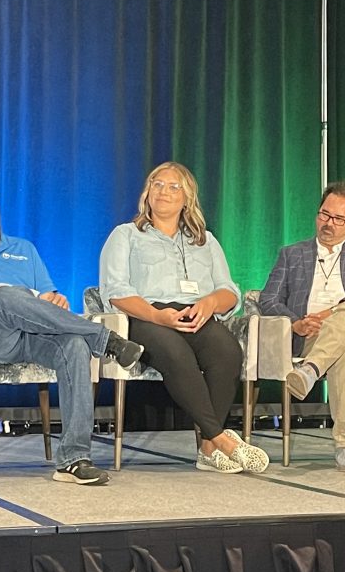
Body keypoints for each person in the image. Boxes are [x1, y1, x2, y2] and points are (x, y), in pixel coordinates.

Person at [0, 173, 143, 486]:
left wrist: (55, 301)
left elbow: (47, 300)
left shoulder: (24, 249)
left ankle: (73, 459)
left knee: (75, 346)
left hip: (29, 338)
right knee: (6, 295)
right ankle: (106, 339)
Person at [99, 161, 269, 474]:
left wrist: (210, 303)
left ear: (187, 198)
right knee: (177, 353)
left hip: (196, 314)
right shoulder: (126, 236)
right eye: (157, 184)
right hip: (146, 317)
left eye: (173, 186)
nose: (163, 191)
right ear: (147, 192)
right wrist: (157, 315)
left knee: (228, 351)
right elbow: (115, 291)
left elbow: (229, 290)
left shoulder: (205, 240)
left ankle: (206, 448)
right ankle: (222, 439)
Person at [259, 180, 345, 474]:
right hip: (317, 337)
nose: (329, 223)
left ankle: (310, 371)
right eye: (324, 214)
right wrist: (296, 323)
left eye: (338, 219)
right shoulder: (292, 254)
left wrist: (332, 312)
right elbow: (268, 298)